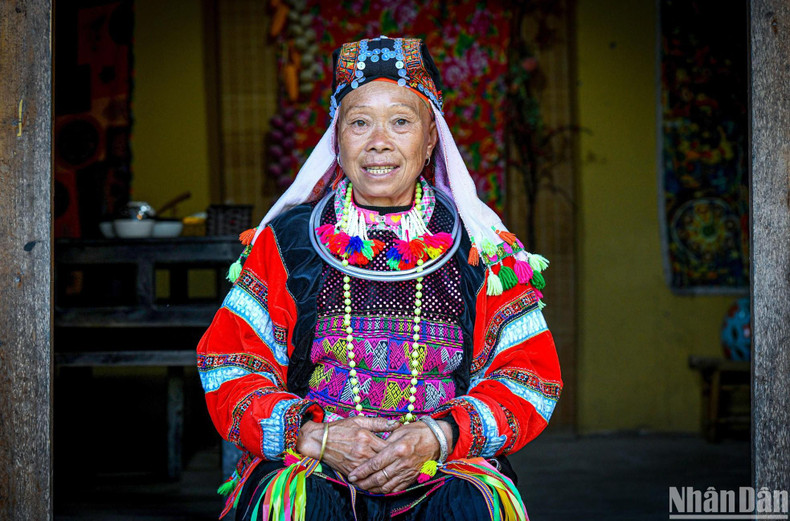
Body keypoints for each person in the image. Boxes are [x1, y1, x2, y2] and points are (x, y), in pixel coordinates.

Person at [197, 36, 562, 521]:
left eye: (401, 122)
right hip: (316, 462)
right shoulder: (286, 241)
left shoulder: (483, 249)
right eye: (360, 122)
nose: (379, 142)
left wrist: (441, 435)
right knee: (301, 507)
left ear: (431, 137)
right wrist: (315, 437)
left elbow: (530, 377)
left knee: (465, 507)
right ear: (337, 137)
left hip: (444, 466)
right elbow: (232, 364)